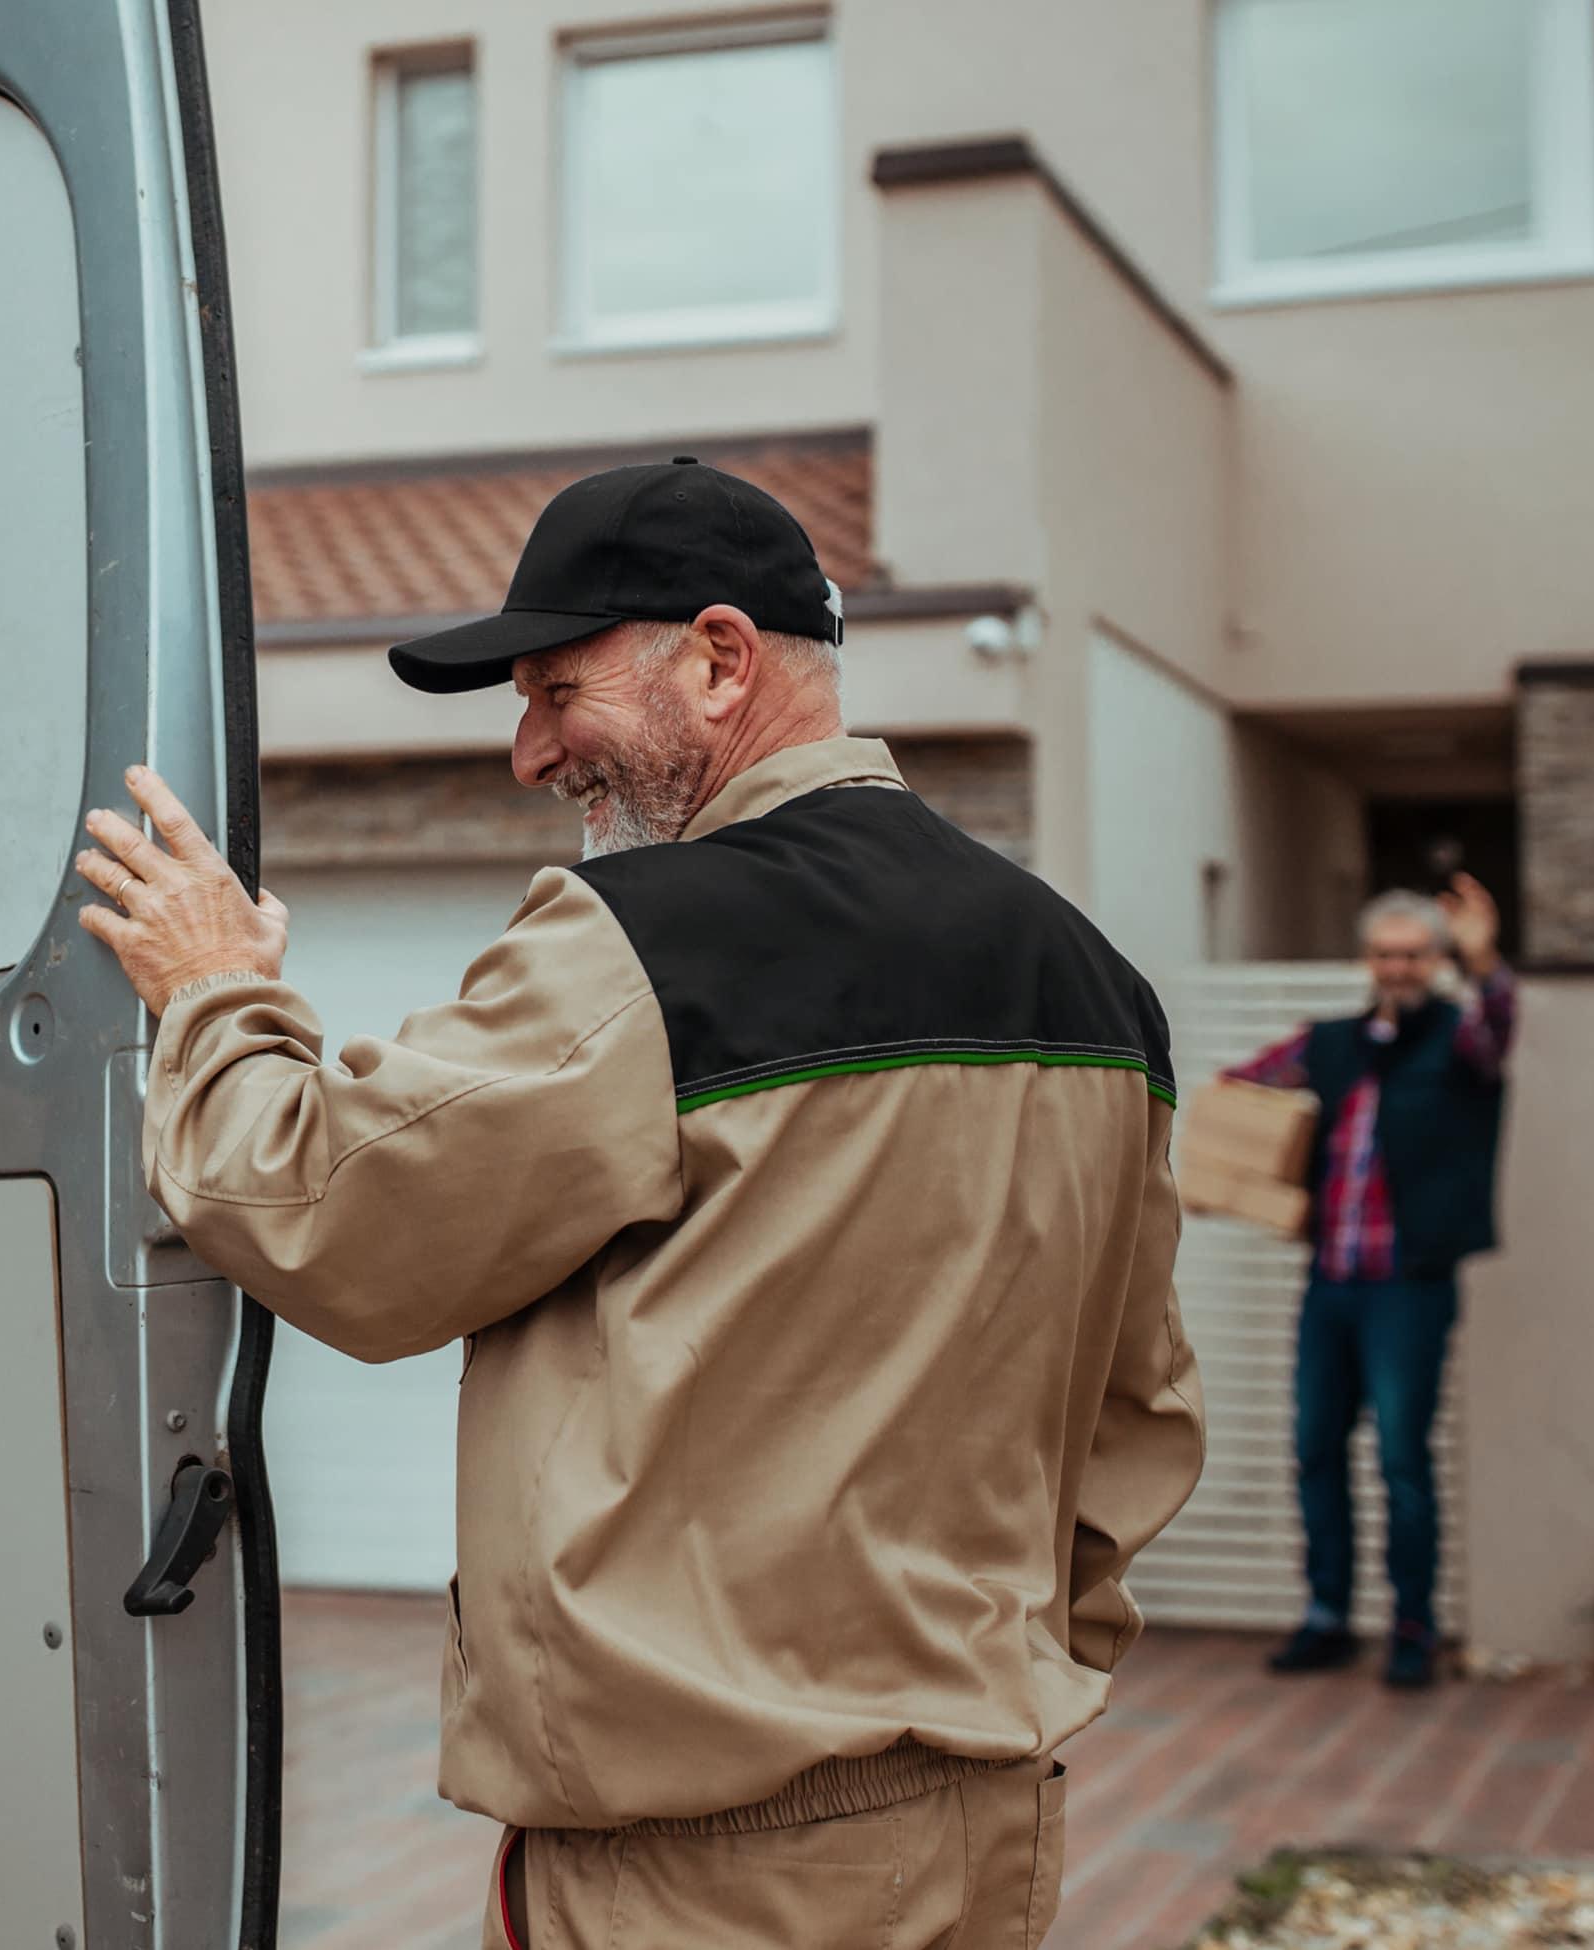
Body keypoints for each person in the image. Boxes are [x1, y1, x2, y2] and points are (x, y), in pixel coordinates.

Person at [69, 459, 1205, 1949]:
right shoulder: (1093, 984)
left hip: (702, 1871)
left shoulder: (645, 949)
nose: (530, 752)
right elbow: (1137, 1427)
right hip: (985, 1828)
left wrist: (217, 990)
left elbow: (317, 1210)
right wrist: (980, 1685)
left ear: (720, 658)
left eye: (556, 690)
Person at [1226, 878, 1513, 1691]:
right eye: (1386, 953)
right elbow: (1247, 1085)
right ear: (1367, 959)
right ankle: (1327, 1618)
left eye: (1415, 954)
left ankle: (1413, 1628)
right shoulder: (1332, 1040)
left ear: (1436, 959)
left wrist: (1484, 959)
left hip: (1408, 1289)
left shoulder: (1460, 1041)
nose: (1398, 967)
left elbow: (1499, 1030)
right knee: (1316, 1450)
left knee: (1400, 1460)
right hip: (1331, 1284)